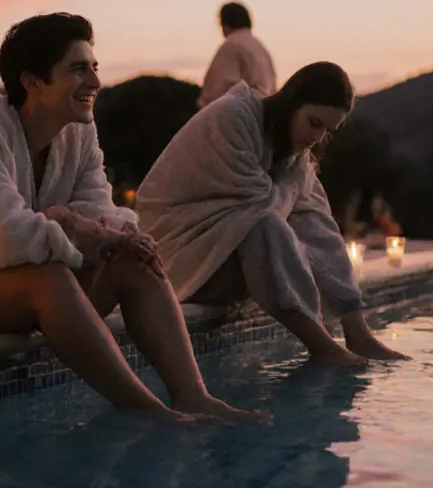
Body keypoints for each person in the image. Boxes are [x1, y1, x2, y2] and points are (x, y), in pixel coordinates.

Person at [0, 13, 266, 424]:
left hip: (19, 280)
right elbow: (6, 238)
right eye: (78, 70)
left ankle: (193, 396)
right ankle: (145, 410)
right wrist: (79, 230)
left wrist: (109, 234)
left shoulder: (77, 135)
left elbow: (100, 210)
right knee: (51, 278)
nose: (95, 82)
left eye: (94, 68)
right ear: (31, 81)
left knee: (135, 259)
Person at [136, 63, 410, 366]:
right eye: (314, 123)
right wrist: (295, 184)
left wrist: (296, 184)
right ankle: (320, 345)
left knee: (312, 217)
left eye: (326, 131)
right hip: (177, 262)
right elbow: (263, 210)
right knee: (264, 224)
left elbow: (315, 217)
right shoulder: (233, 118)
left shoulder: (290, 150)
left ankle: (358, 332)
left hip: (221, 256)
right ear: (292, 102)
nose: (317, 138)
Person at [197, 1, 277, 108]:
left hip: (237, 114)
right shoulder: (260, 47)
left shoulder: (231, 44)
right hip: (262, 113)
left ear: (225, 24)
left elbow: (215, 89)